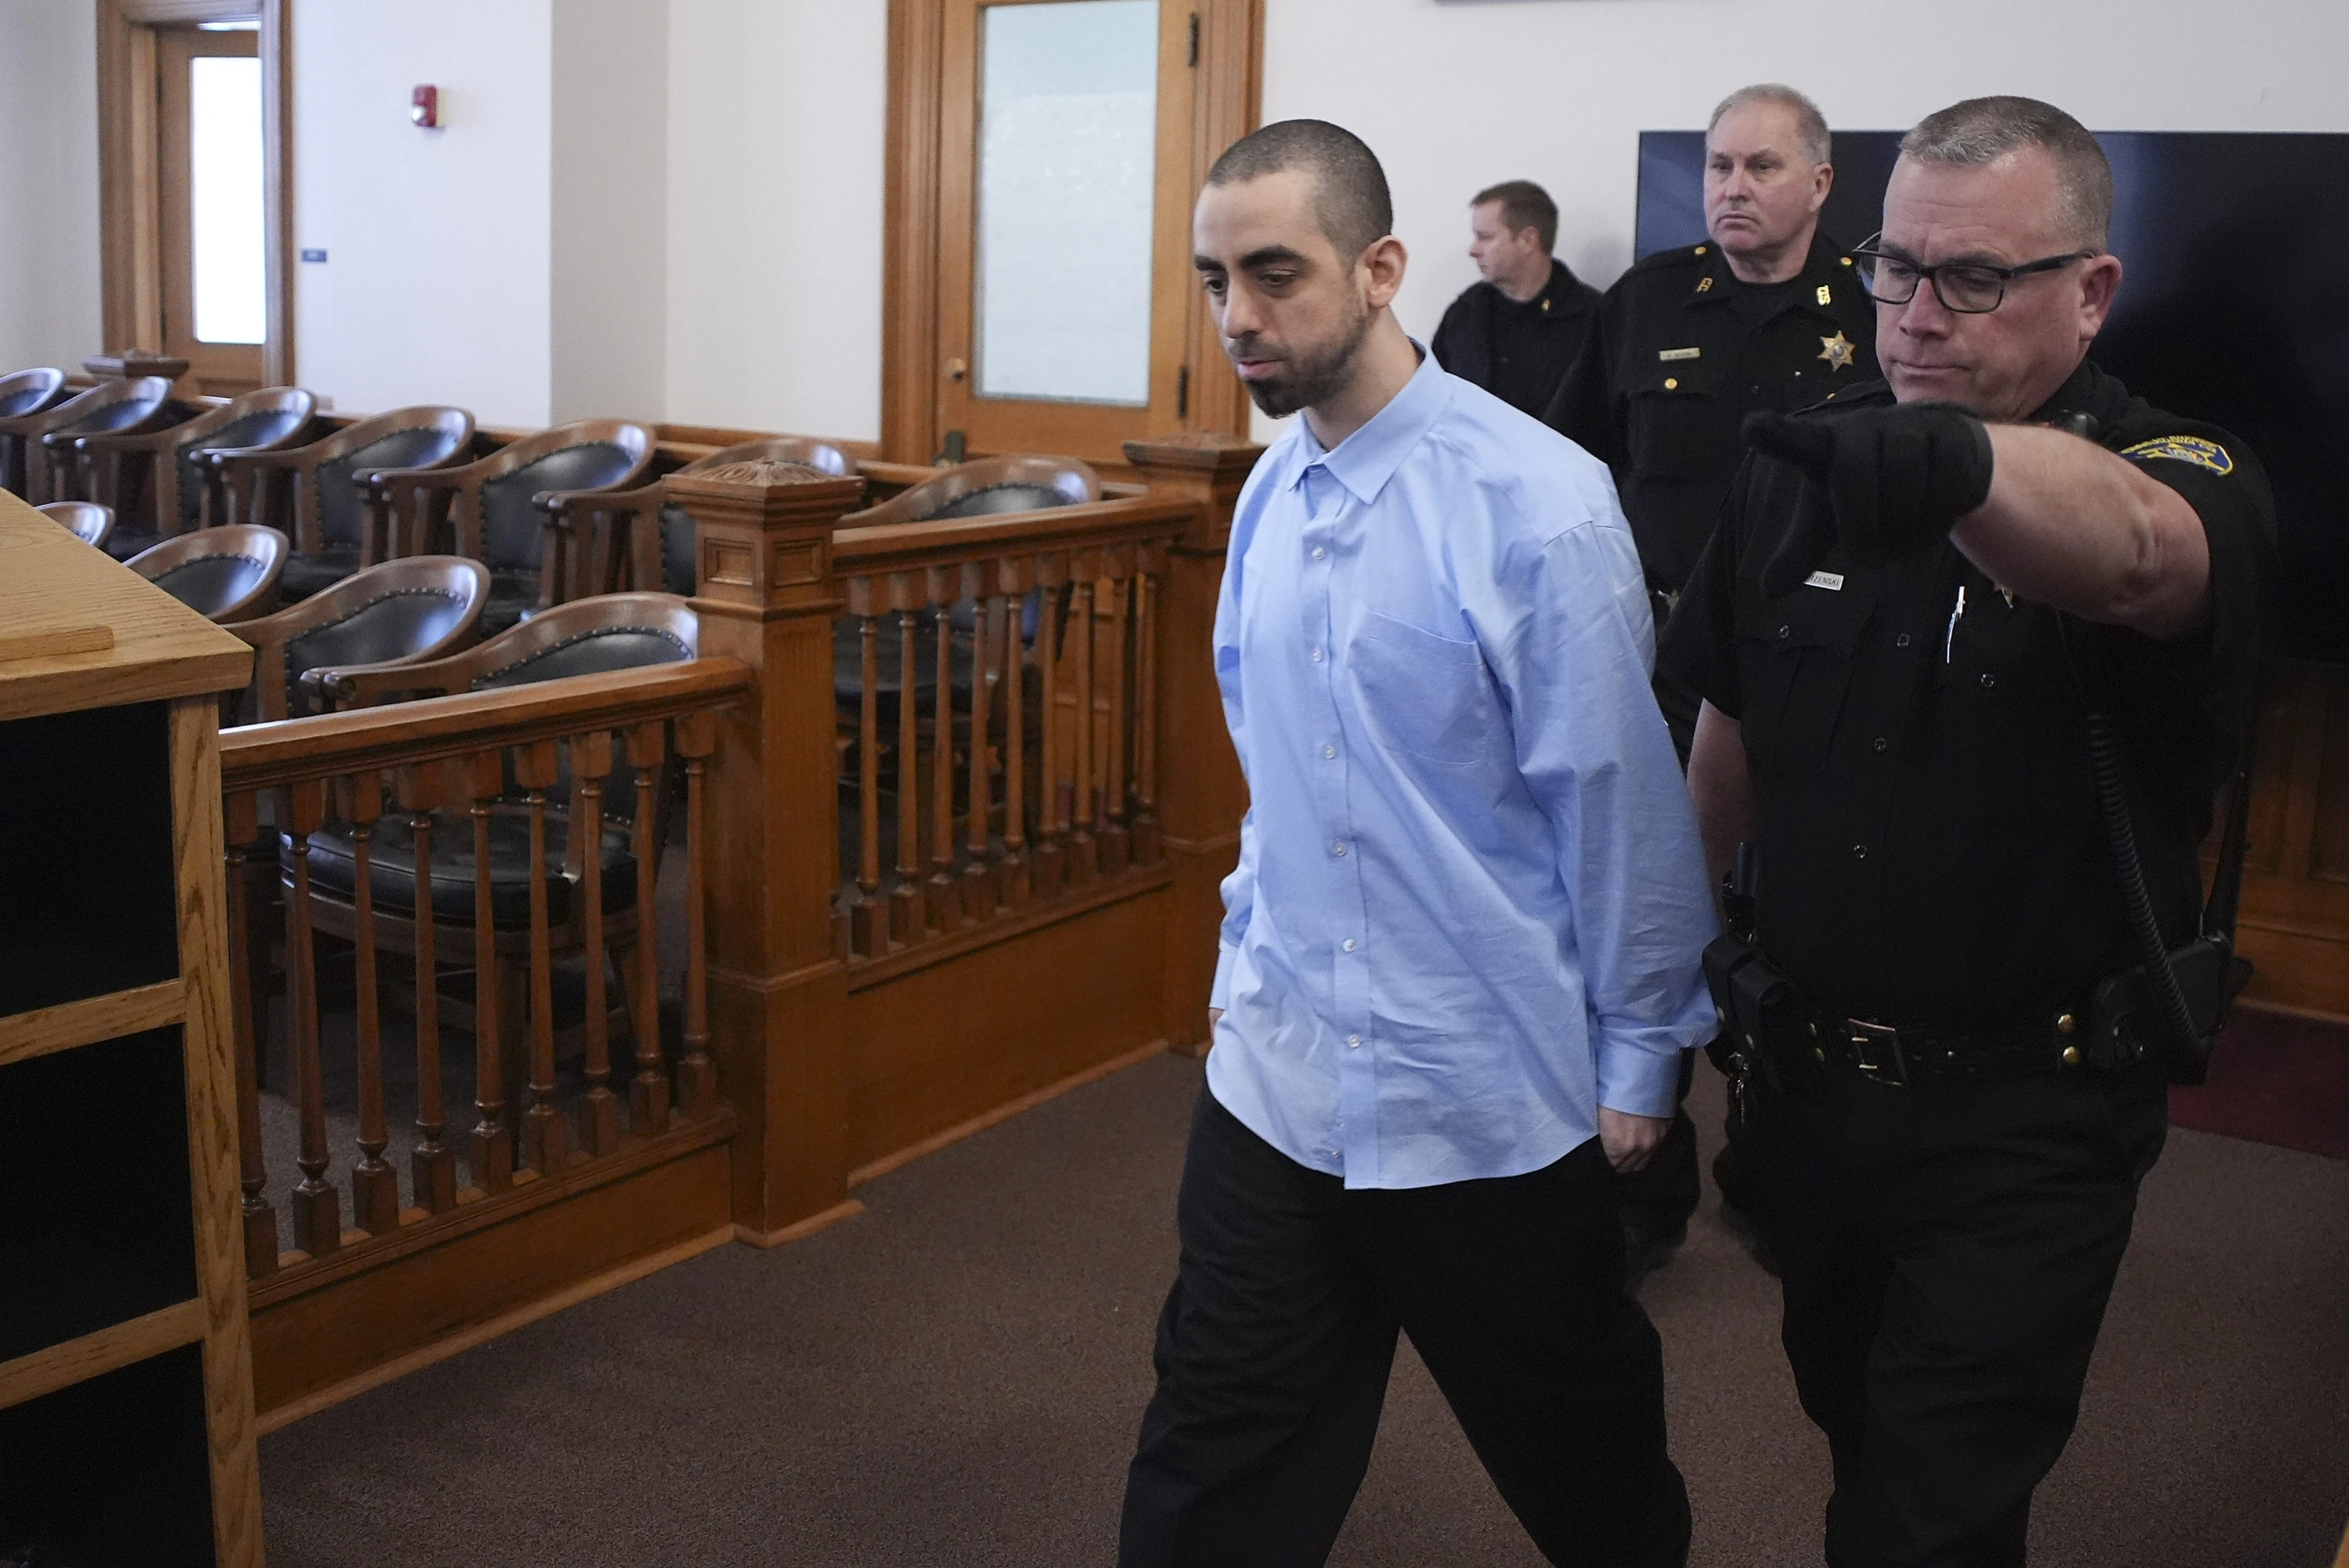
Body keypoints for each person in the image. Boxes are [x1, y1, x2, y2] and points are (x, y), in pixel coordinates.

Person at [1663, 96, 2271, 1566]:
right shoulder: (1801, 464)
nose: (1919, 315)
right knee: (1858, 1426)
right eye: (1896, 268)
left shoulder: (2188, 466)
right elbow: (1725, 741)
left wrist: (1963, 469)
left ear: (2092, 291)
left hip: (2028, 1123)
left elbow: (2138, 550)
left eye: (1976, 279)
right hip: (1809, 1089)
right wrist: (1647, 1005)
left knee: (1927, 1513)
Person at [1118, 118, 1717, 1568]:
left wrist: (1642, 1054)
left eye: (1274, 274)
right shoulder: (1267, 497)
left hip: (1486, 1095)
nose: (1238, 319)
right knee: (1212, 1450)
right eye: (1213, 282)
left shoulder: (1539, 505)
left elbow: (1621, 810)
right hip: (1283, 1080)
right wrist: (1244, 957)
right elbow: (1285, 780)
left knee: (1586, 1466)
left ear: (1381, 269)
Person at [1546, 82, 1879, 1274]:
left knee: (1799, 919)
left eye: (1761, 168)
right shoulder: (1646, 300)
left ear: (1821, 184)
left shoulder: (1874, 308)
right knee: (1645, 912)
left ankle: (1777, 1161)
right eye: (1720, 167)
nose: (1733, 188)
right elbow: (1566, 462)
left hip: (1818, 672)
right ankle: (1642, 1186)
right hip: (1652, 662)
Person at [1430, 180, 1600, 417]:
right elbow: (1435, 402)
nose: (1473, 250)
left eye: (1485, 237)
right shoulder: (1465, 313)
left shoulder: (1593, 321)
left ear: (1528, 240)